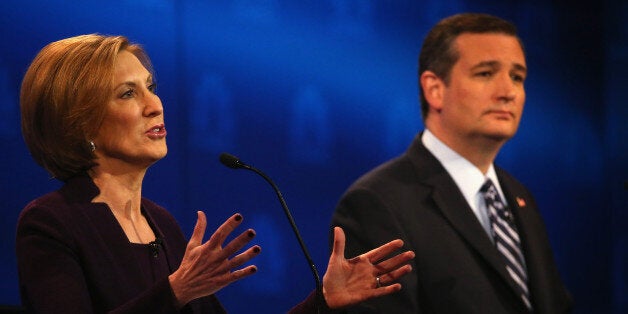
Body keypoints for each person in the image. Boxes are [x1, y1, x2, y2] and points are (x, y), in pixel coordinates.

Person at [16, 34, 415, 313]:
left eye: (150, 87)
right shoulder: (52, 224)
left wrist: (322, 301)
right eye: (127, 93)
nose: (154, 104)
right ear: (80, 123)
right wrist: (174, 293)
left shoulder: (162, 224)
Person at [331, 13, 573, 313]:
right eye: (485, 73)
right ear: (435, 89)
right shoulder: (378, 202)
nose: (508, 92)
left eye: (517, 77)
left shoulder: (520, 198)